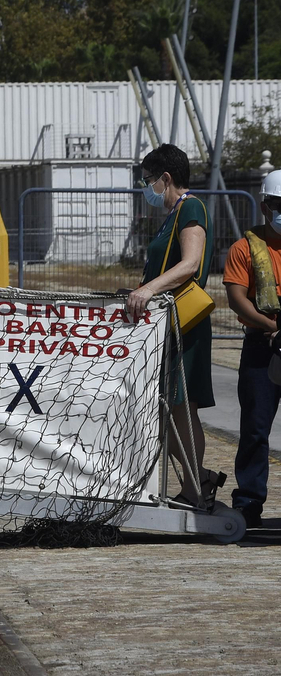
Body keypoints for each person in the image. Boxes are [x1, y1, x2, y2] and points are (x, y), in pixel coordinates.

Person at [126, 143, 220, 509]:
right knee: (163, 409)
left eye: (149, 181)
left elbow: (190, 264)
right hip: (165, 323)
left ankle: (197, 488)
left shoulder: (191, 207)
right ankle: (202, 477)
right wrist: (136, 291)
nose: (147, 189)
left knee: (181, 407)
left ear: (166, 178)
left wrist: (149, 289)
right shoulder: (171, 214)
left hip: (185, 325)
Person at [221, 169, 281, 527]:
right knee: (256, 429)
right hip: (263, 348)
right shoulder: (245, 248)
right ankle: (248, 503)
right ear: (263, 205)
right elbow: (236, 299)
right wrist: (271, 326)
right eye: (277, 204)